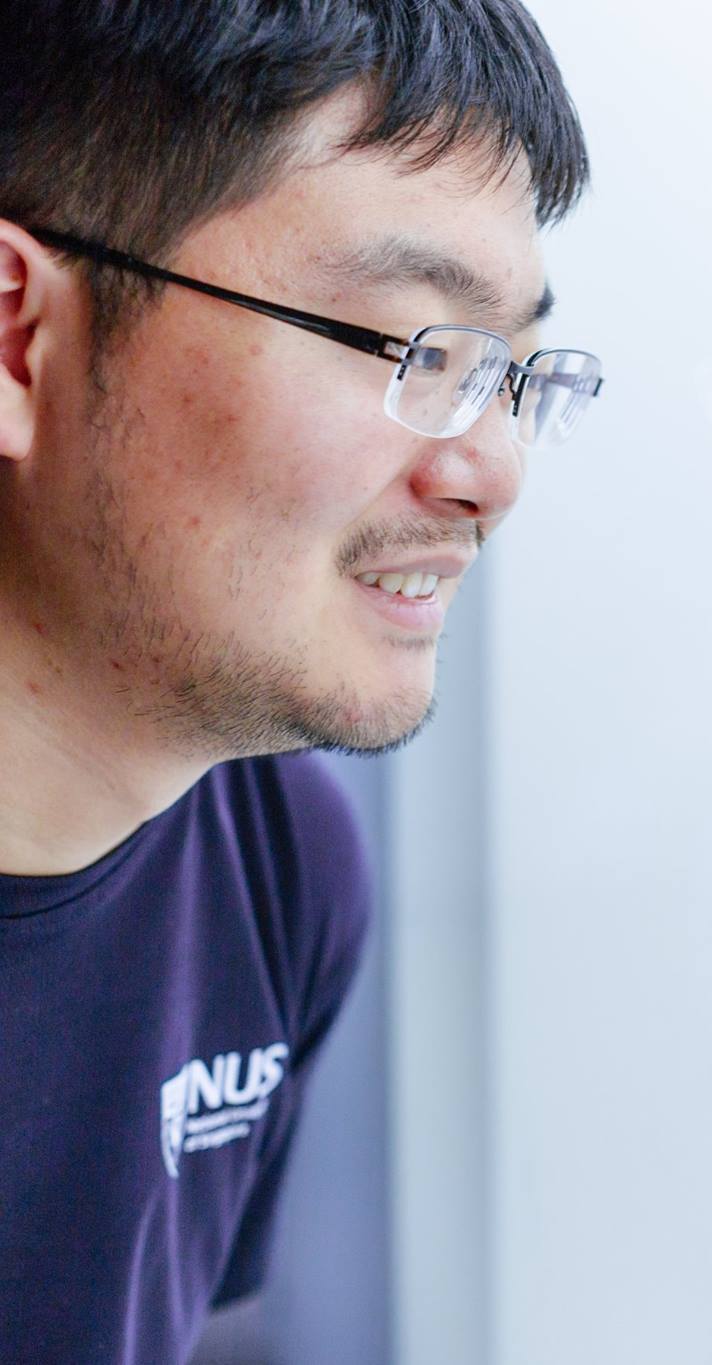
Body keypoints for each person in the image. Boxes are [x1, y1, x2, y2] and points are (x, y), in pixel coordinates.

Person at [0, 4, 602, 1360]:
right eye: (411, 349)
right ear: (18, 337)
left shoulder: (277, 861)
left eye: (506, 372)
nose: (493, 473)